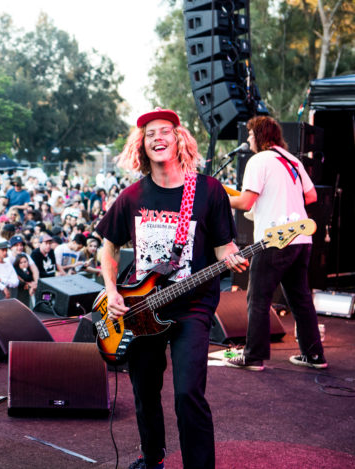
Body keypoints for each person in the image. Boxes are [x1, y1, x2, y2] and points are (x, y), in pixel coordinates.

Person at [96, 108, 247, 469]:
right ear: (142, 146)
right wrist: (112, 289)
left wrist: (233, 257)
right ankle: (152, 458)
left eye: (165, 131)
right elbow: (109, 247)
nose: (158, 138)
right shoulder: (132, 196)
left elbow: (224, 248)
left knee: (188, 393)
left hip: (193, 306)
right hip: (142, 306)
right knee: (145, 391)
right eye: (150, 134)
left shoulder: (208, 191)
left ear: (179, 140)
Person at [227, 115, 326, 371]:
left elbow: (245, 202)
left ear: (260, 136)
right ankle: (314, 355)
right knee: (300, 299)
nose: (248, 139)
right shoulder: (293, 160)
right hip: (300, 238)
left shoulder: (258, 160)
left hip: (274, 239)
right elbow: (311, 195)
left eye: (251, 134)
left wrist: (220, 198)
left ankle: (253, 356)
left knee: (258, 298)